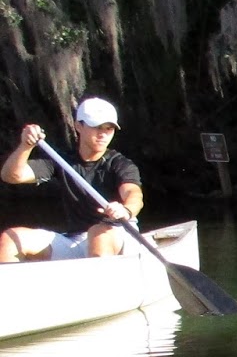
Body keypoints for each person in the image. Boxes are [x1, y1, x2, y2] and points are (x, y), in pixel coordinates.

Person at [1, 97, 143, 262]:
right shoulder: (63, 161)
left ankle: (103, 285)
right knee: (10, 238)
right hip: (75, 240)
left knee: (98, 234)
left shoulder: (120, 164)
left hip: (118, 234)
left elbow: (134, 194)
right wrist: (26, 146)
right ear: (78, 126)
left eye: (109, 128)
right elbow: (11, 175)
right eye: (97, 127)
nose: (103, 134)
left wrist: (125, 210)